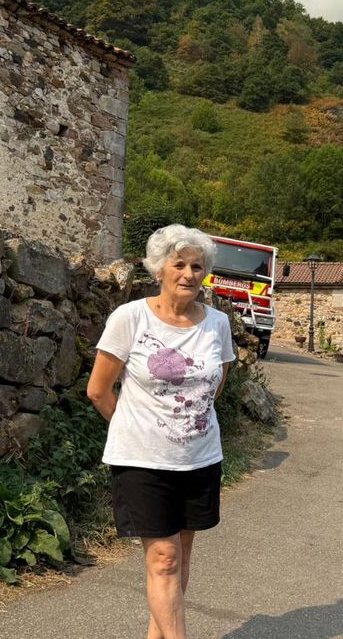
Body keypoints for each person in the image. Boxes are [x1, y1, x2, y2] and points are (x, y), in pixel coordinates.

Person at [87, 224, 236, 639]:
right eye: (179, 264)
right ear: (159, 269)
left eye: (197, 266)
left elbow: (215, 386)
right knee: (165, 561)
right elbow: (98, 391)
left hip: (200, 458)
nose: (189, 273)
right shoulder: (130, 318)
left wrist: (185, 425)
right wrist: (141, 428)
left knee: (180, 560)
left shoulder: (218, 324)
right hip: (142, 461)